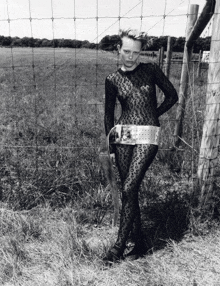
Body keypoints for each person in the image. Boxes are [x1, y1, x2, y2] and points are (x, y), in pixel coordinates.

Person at [103, 29, 178, 264]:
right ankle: (140, 241)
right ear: (118, 50)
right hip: (122, 134)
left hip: (148, 134)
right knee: (130, 190)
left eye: (136, 52)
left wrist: (152, 115)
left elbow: (172, 96)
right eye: (127, 51)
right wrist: (111, 143)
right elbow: (108, 115)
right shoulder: (112, 79)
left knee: (129, 187)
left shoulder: (151, 70)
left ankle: (118, 246)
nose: (131, 57)